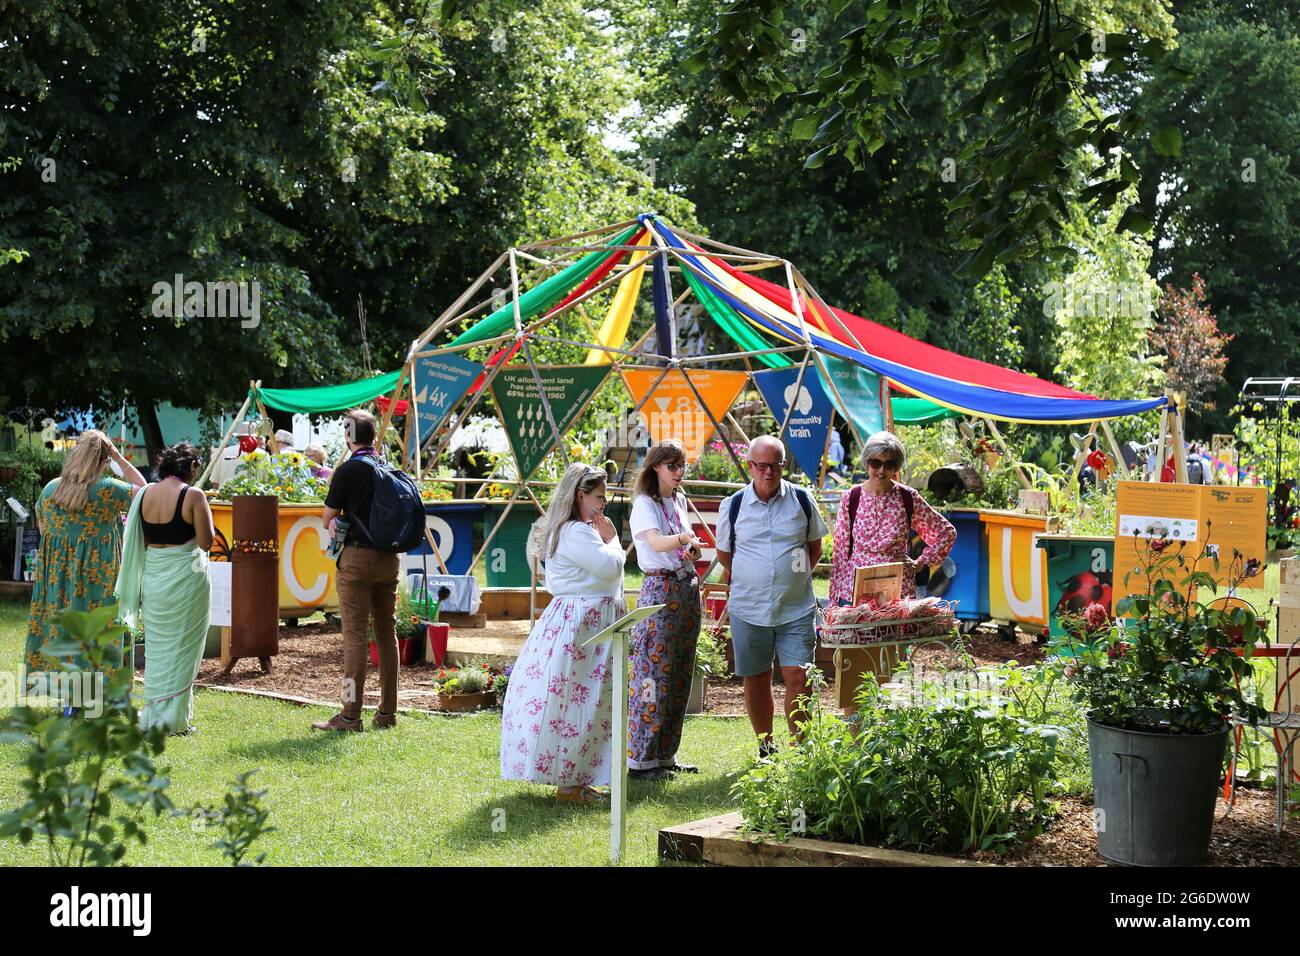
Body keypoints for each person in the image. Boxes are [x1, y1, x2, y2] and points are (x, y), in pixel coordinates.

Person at [500, 463, 626, 802]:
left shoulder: (572, 529)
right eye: (599, 498)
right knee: (580, 702)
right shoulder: (576, 532)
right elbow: (610, 567)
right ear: (580, 495)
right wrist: (613, 540)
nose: (603, 505)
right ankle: (570, 784)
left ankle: (577, 778)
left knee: (582, 701)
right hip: (582, 626)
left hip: (582, 622)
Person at [716, 435, 829, 758]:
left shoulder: (801, 500)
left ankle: (800, 749)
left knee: (798, 676)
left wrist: (792, 577)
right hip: (748, 608)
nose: (768, 472)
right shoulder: (734, 505)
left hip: (795, 607)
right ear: (750, 466)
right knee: (756, 676)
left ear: (783, 466)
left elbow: (815, 546)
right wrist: (752, 575)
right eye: (761, 466)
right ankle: (766, 745)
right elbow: (726, 554)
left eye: (775, 465)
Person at [828, 431, 956, 714]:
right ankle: (856, 738)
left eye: (889, 464)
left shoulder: (907, 498)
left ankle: (887, 737)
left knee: (891, 665)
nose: (881, 470)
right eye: (875, 463)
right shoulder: (851, 498)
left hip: (896, 595)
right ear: (866, 464)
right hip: (857, 595)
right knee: (854, 666)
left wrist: (922, 561)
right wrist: (836, 602)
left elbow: (945, 532)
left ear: (896, 466)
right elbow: (840, 552)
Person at [25, 430, 147, 699]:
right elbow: (144, 492)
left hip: (58, 579)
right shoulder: (108, 490)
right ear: (104, 461)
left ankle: (68, 692)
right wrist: (119, 458)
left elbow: (45, 531)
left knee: (62, 629)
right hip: (98, 578)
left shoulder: (50, 490)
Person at [115, 443, 214, 734]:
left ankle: (156, 716)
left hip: (155, 581)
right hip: (187, 581)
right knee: (184, 648)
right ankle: (173, 720)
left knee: (158, 652)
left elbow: (142, 540)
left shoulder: (144, 494)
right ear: (191, 467)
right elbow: (206, 542)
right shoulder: (194, 495)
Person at [314, 409, 401, 732]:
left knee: (354, 640)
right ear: (373, 435)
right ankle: (387, 713)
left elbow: (327, 517)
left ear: (349, 435)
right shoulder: (387, 467)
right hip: (389, 560)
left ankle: (350, 714)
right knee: (386, 635)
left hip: (357, 560)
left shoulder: (348, 470)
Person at [627, 439, 704, 780]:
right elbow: (656, 542)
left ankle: (665, 757)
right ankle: (642, 761)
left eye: (682, 466)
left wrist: (689, 552)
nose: (678, 472)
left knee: (680, 674)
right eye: (672, 466)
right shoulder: (645, 502)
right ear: (655, 466)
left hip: (685, 585)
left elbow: (675, 544)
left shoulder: (679, 500)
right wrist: (685, 538)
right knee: (652, 676)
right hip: (660, 588)